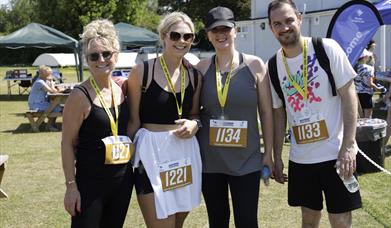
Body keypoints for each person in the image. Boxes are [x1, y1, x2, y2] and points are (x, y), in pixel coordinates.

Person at [267, 0, 362, 227]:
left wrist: (348, 145)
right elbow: (279, 115)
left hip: (336, 155)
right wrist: (277, 156)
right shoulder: (273, 65)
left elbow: (350, 96)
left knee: (340, 221)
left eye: (289, 20)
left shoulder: (326, 48)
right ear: (271, 27)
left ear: (299, 18)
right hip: (301, 159)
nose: (284, 27)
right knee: (308, 221)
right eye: (277, 23)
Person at [196, 6, 274, 228]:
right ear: (208, 34)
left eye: (226, 29)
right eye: (215, 30)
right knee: (217, 221)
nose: (221, 34)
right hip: (210, 161)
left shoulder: (255, 65)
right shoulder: (201, 69)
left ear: (235, 30)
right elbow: (192, 111)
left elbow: (266, 112)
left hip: (247, 160)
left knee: (247, 221)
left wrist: (267, 153)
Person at [127, 12, 202, 228]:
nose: (182, 41)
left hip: (184, 152)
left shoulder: (195, 76)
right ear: (163, 36)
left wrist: (194, 124)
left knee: (177, 224)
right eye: (175, 35)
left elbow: (196, 114)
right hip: (150, 154)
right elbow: (133, 121)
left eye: (188, 36)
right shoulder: (142, 71)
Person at [61, 19, 134, 227]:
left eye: (106, 54)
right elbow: (67, 143)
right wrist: (71, 186)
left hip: (122, 182)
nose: (100, 59)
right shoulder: (79, 96)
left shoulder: (122, 88)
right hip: (90, 185)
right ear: (87, 59)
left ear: (116, 55)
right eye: (94, 55)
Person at [28, 65, 62, 131]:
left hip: (41, 103)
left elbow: (54, 90)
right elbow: (52, 91)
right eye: (48, 74)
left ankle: (51, 124)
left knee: (55, 106)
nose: (50, 75)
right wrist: (52, 84)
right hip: (36, 105)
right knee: (57, 108)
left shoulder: (45, 81)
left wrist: (60, 89)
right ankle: (49, 126)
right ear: (43, 74)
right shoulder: (40, 82)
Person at [354, 49, 383, 118]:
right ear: (365, 57)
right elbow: (370, 83)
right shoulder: (369, 68)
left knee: (358, 116)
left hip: (356, 94)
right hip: (366, 94)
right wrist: (377, 88)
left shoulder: (353, 66)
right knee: (368, 117)